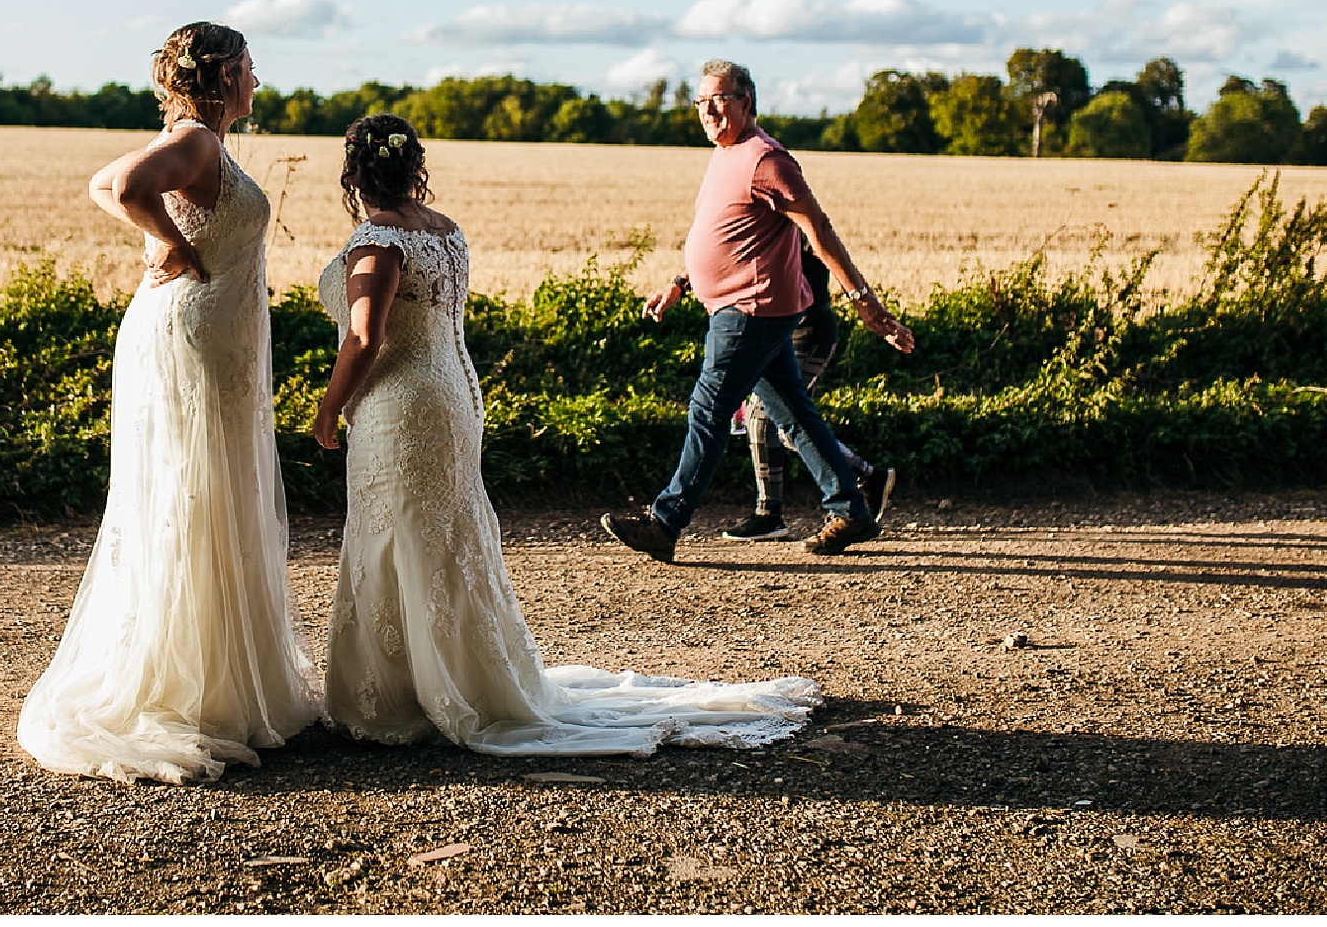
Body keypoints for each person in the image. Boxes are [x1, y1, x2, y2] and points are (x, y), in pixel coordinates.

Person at [312, 114, 819, 756]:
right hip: (452, 393)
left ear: (354, 172)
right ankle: (460, 673)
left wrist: (329, 410)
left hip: (399, 404)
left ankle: (398, 694)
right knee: (443, 531)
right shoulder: (445, 231)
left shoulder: (377, 240)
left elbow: (364, 337)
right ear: (413, 165)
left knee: (398, 530)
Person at [17, 22, 321, 784]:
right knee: (197, 488)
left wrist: (164, 234)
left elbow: (104, 184)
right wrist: (170, 242)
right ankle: (191, 688)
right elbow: (118, 187)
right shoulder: (196, 142)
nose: (259, 78)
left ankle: (220, 674)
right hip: (194, 333)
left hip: (213, 332)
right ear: (221, 77)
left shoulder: (201, 143)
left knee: (210, 486)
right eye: (250, 66)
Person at [603, 60, 914, 563]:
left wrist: (864, 299)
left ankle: (666, 521)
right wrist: (681, 283)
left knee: (708, 410)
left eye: (721, 99)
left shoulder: (766, 159)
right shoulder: (725, 156)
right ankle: (851, 507)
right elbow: (729, 234)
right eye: (702, 102)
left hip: (751, 309)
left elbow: (817, 228)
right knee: (794, 413)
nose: (710, 110)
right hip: (743, 307)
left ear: (747, 102)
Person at [721, 238, 898, 542]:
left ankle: (769, 514)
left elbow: (836, 258)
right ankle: (868, 476)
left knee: (764, 416)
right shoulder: (759, 228)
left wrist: (868, 307)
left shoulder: (799, 229)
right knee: (789, 427)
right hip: (775, 334)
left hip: (808, 333)